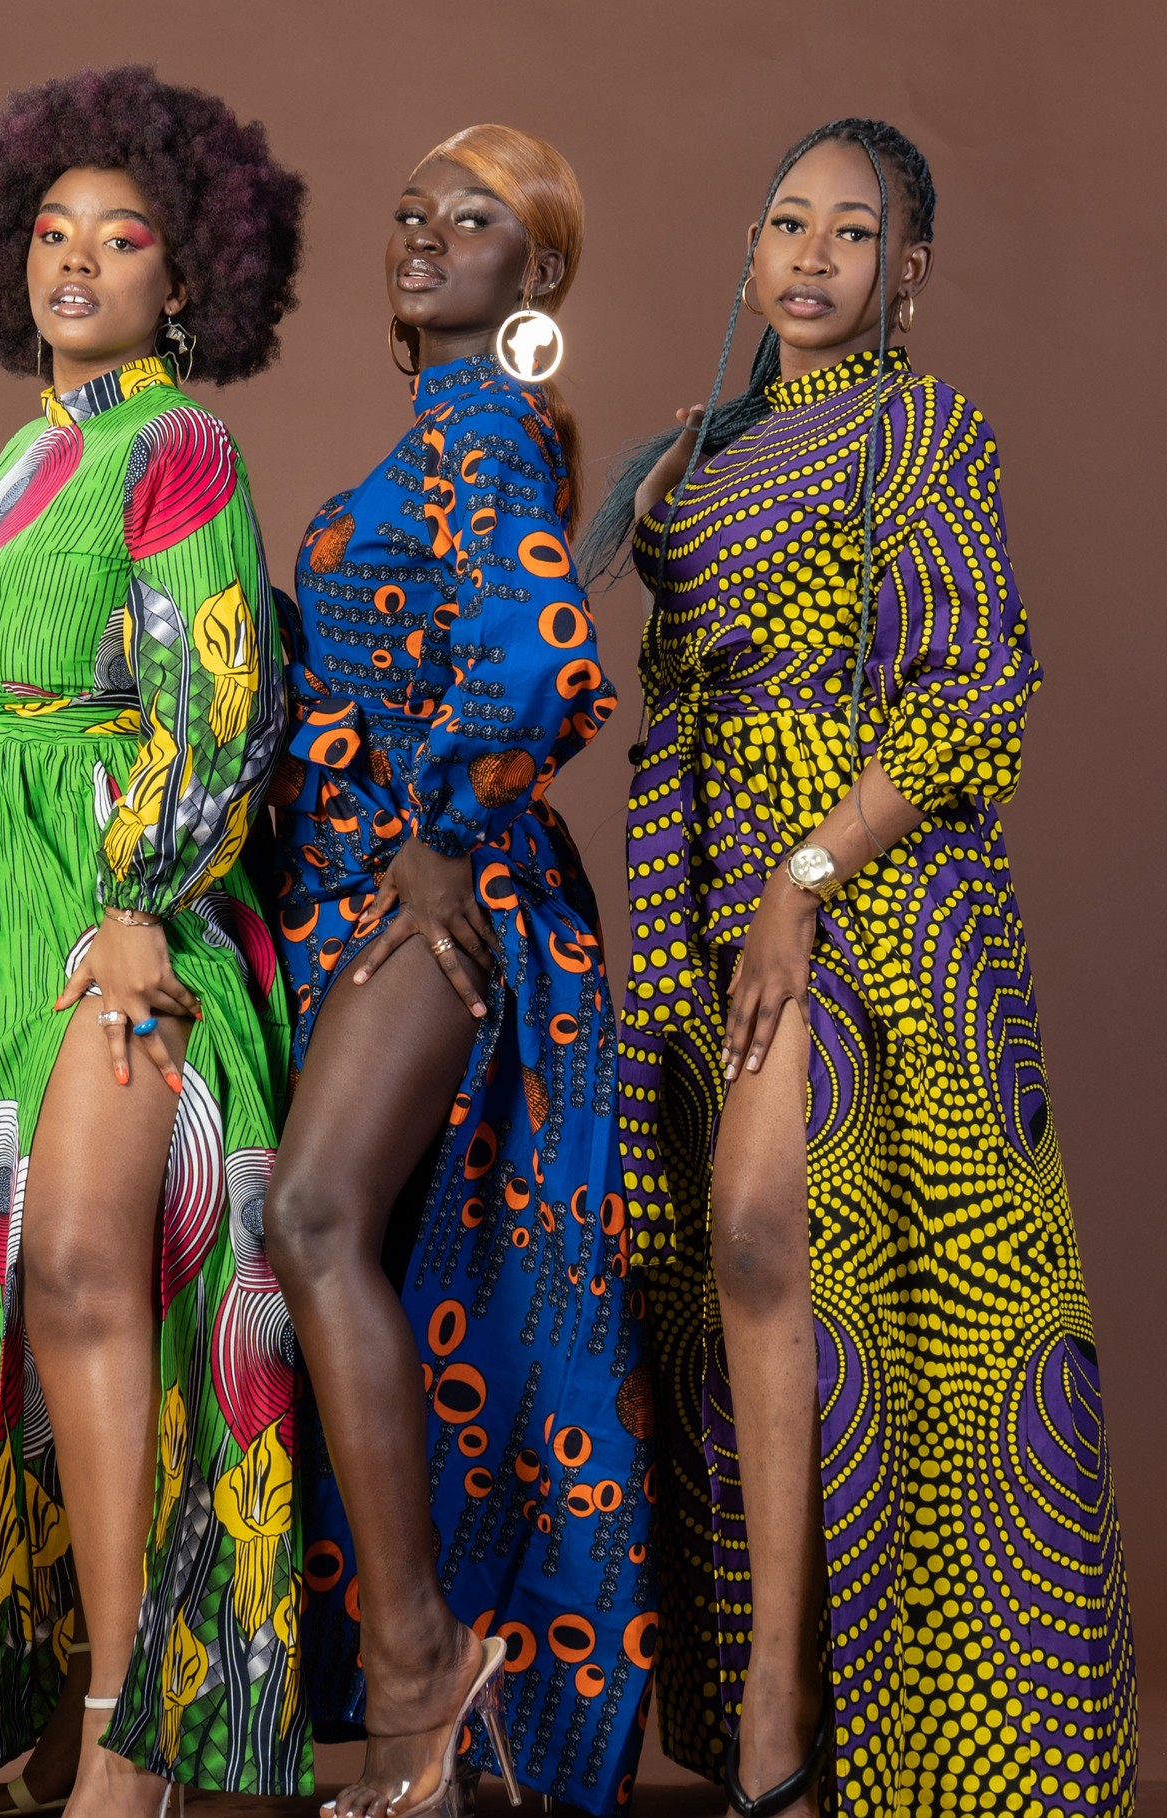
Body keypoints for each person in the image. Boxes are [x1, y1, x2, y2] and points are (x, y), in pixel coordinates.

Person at [580, 118, 1136, 1816]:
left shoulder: (921, 425)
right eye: (786, 222)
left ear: (911, 274)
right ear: (749, 256)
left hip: (865, 886)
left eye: (854, 230)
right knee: (742, 1266)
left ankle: (788, 1703)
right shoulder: (700, 452)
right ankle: (787, 1685)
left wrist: (805, 878)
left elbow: (975, 687)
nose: (812, 254)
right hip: (704, 875)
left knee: (783, 1231)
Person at [0, 68, 306, 1818]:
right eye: (51, 232)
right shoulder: (35, 446)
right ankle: (27, 1691)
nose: (78, 261)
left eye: (124, 237)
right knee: (4, 1311)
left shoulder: (181, 445)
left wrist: (135, 905)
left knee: (95, 1270)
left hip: (120, 913)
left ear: (191, 276)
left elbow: (223, 693)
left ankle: (129, 1725)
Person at [263, 126, 655, 1818]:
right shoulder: (453, 425)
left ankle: (423, 1660)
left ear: (537, 270)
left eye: (472, 218)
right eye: (410, 211)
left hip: (451, 883)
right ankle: (434, 1692)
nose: (424, 236)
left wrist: (436, 828)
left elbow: (546, 659)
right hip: (383, 878)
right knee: (418, 1265)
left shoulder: (480, 422)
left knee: (314, 1218)